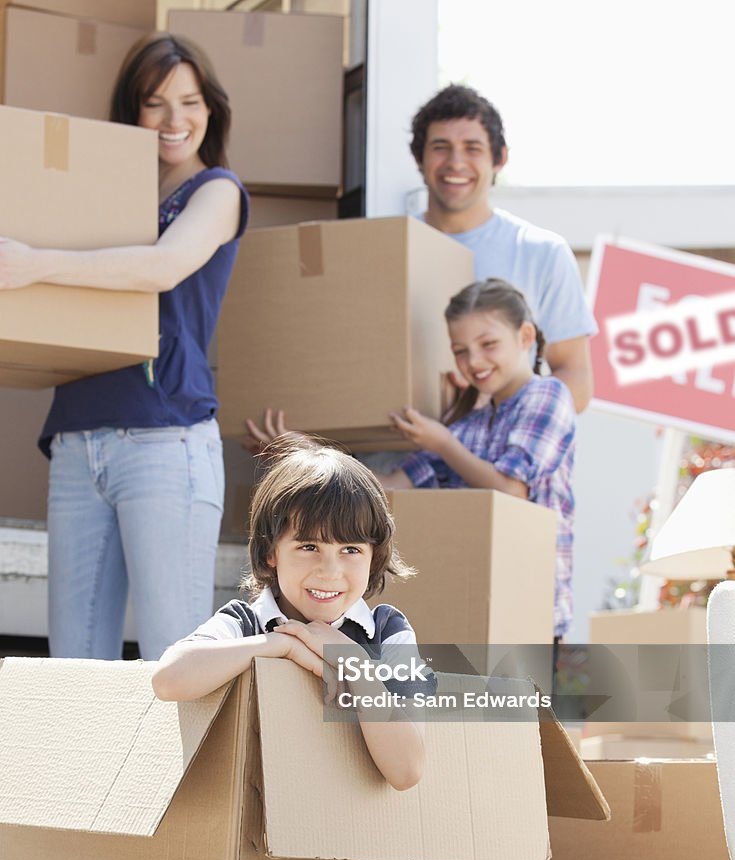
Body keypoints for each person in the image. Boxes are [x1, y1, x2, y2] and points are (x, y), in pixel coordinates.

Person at [0, 32, 249, 660]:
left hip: (164, 441)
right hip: (78, 437)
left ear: (211, 109)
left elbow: (162, 267)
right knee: (74, 666)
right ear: (131, 111)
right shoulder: (99, 194)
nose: (175, 120)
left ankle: (178, 767)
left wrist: (34, 264)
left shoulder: (217, 192)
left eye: (190, 102)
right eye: (155, 103)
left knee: (174, 657)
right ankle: (83, 766)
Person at [152, 436, 434, 791]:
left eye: (350, 549)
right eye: (309, 546)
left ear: (373, 556)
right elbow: (168, 680)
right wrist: (281, 645)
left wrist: (353, 662)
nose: (329, 571)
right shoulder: (246, 622)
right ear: (271, 552)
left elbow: (406, 771)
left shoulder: (388, 631)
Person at [376, 278, 575, 641]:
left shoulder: (549, 396)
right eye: (461, 350)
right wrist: (306, 454)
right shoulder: (467, 427)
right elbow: (390, 486)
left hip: (529, 610)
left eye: (488, 345)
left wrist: (443, 443)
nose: (474, 361)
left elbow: (512, 492)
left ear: (525, 336)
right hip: (471, 603)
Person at [410, 83, 596, 413]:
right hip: (391, 459)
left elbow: (576, 379)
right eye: (441, 147)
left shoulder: (541, 252)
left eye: (472, 148)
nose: (455, 162)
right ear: (419, 158)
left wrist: (496, 409)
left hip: (494, 459)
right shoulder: (386, 249)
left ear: (500, 158)